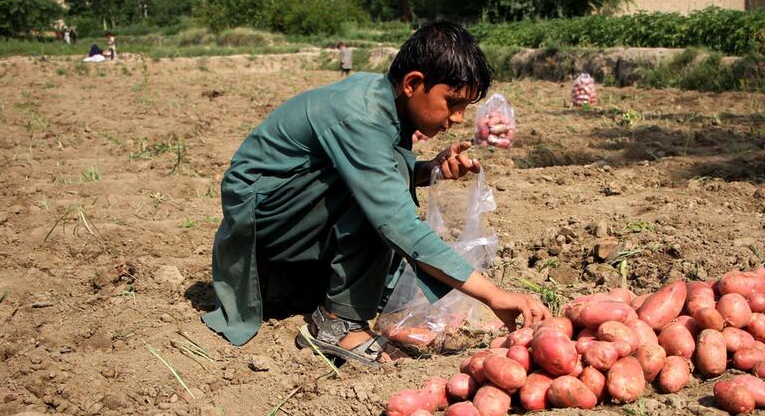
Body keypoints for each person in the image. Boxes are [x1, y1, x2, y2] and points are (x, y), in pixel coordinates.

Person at [204, 21, 550, 363]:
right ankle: (338, 322)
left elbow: (375, 168)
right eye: (452, 102)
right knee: (385, 200)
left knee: (391, 181)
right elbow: (394, 219)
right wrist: (494, 295)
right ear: (414, 83)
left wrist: (428, 170)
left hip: (289, 219)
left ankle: (352, 293)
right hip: (264, 229)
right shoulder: (363, 116)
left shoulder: (384, 100)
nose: (458, 118)